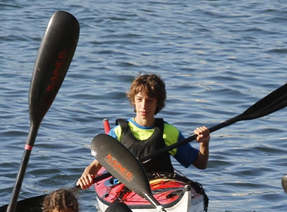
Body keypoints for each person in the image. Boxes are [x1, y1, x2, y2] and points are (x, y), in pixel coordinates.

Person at [78, 73, 213, 185]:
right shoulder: (119, 132)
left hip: (161, 188)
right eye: (139, 99)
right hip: (125, 190)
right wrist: (86, 177)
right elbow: (95, 166)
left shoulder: (169, 132)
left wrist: (204, 143)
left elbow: (201, 164)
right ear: (133, 101)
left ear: (157, 103)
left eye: (150, 101)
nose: (144, 106)